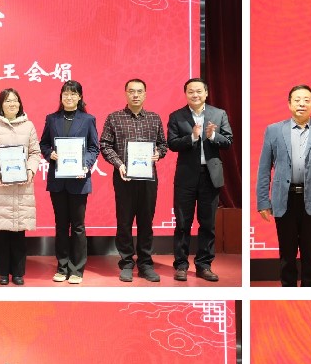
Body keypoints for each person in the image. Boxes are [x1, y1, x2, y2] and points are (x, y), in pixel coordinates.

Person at [255, 83, 311, 286]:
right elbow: (264, 168)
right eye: (297, 100)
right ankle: (288, 292)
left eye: (306, 100)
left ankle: (310, 294)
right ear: (289, 104)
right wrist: (263, 201)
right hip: (284, 198)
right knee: (287, 252)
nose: (302, 104)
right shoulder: (274, 130)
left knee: (310, 251)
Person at [99, 79, 169, 282]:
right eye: (131, 91)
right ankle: (127, 263)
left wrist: (158, 153)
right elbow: (105, 145)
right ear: (126, 94)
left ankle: (146, 264)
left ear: (145, 94)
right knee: (124, 221)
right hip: (124, 177)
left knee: (146, 221)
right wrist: (119, 164)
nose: (135, 95)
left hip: (148, 179)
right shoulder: (114, 118)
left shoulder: (154, 119)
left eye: (139, 91)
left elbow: (163, 145)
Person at [168, 77, 234, 281]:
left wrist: (213, 136)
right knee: (182, 223)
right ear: (185, 94)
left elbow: (228, 141)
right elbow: (172, 143)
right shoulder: (176, 116)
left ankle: (204, 265)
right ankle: (181, 265)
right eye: (190, 91)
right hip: (186, 177)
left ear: (206, 93)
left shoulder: (219, 114)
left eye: (199, 91)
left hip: (210, 176)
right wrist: (193, 137)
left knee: (207, 224)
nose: (195, 95)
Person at [39, 80, 100, 284]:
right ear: (61, 96)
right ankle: (62, 266)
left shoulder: (88, 119)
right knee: (61, 225)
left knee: (78, 226)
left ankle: (77, 269)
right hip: (58, 180)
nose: (69, 97)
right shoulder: (52, 119)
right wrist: (50, 154)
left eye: (73, 94)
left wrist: (86, 165)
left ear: (80, 97)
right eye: (66, 93)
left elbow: (94, 147)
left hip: (79, 180)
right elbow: (44, 143)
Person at [0, 87, 42, 285]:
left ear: (20, 104)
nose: (12, 104)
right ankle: (2, 273)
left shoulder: (29, 126)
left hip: (22, 185)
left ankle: (18, 273)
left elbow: (35, 153)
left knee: (19, 231)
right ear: (1, 104)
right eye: (7, 101)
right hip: (0, 186)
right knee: (1, 231)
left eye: (15, 100)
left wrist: (31, 170)